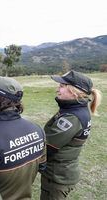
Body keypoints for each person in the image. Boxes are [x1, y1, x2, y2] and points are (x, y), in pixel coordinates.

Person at [40, 70, 102, 200]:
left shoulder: (72, 117)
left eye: (62, 86)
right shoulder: (75, 109)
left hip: (57, 178)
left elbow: (46, 147)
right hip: (63, 173)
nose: (58, 89)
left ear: (74, 91)